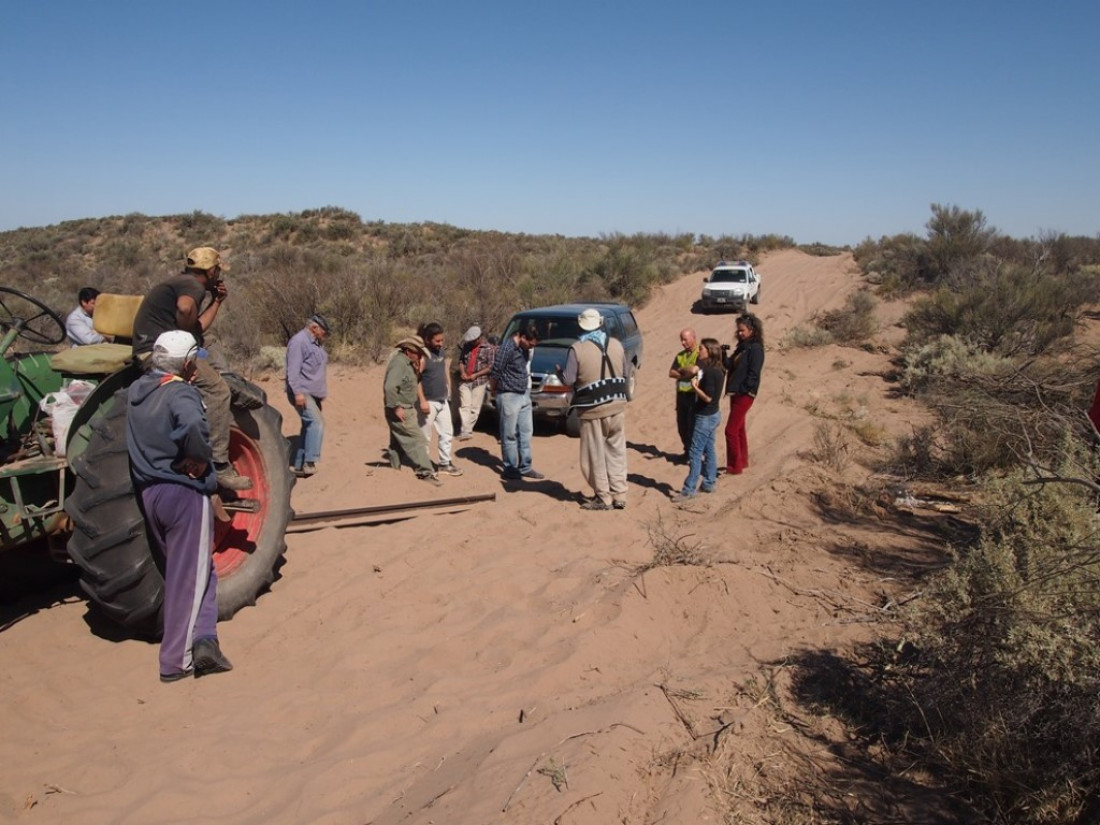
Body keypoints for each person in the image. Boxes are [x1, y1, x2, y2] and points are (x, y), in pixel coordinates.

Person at [126, 330, 233, 683]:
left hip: (150, 493)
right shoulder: (181, 391)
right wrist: (199, 458)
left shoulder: (138, 391)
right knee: (187, 576)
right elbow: (191, 422)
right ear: (188, 364)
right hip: (183, 493)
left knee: (198, 569)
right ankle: (176, 662)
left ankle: (205, 641)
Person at [131, 247, 250, 491]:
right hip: (160, 354)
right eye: (218, 271)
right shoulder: (192, 286)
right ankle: (219, 463)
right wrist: (183, 332)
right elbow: (186, 310)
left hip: (148, 349)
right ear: (212, 270)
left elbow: (198, 328)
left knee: (207, 350)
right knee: (218, 390)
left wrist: (217, 301)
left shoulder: (176, 282)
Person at [561, 308, 629, 510]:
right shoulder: (616, 344)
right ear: (600, 324)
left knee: (594, 454)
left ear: (581, 325)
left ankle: (603, 497)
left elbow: (569, 379)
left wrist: (559, 373)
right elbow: (625, 372)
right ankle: (620, 495)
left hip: (592, 409)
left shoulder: (577, 349)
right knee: (617, 451)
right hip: (617, 406)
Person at [383, 335, 443, 486]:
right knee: (417, 440)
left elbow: (411, 383)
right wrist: (396, 406)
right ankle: (425, 471)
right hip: (400, 408)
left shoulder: (408, 363)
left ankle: (393, 468)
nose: (420, 356)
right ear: (409, 350)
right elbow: (390, 387)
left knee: (397, 441)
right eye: (418, 353)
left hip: (404, 407)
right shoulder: (399, 363)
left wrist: (418, 369)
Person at [671, 338, 725, 502]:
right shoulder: (713, 367)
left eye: (701, 349)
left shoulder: (711, 373)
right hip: (713, 415)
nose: (698, 351)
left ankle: (689, 489)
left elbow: (708, 398)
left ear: (709, 351)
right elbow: (693, 368)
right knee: (709, 449)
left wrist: (694, 387)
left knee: (695, 452)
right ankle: (709, 482)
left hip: (706, 416)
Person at [489, 323, 544, 480]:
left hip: (524, 394)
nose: (531, 347)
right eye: (530, 344)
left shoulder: (525, 349)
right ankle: (510, 468)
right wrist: (494, 390)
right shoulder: (506, 348)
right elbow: (495, 371)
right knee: (509, 434)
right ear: (523, 337)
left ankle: (526, 467)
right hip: (508, 395)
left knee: (526, 433)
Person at [285, 314, 330, 478]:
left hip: (313, 394)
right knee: (317, 423)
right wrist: (298, 393)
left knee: (307, 427)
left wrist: (321, 393)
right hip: (302, 392)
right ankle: (310, 461)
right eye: (323, 332)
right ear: (314, 328)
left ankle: (299, 465)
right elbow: (293, 371)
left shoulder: (316, 344)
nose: (324, 335)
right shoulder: (299, 341)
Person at [416, 322, 462, 477]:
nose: (440, 343)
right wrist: (422, 400)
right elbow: (416, 379)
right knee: (425, 436)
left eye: (442, 340)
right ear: (428, 340)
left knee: (447, 433)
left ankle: (444, 463)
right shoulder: (422, 355)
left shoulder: (441, 352)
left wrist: (448, 388)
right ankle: (423, 467)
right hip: (428, 401)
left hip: (442, 400)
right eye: (437, 341)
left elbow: (442, 371)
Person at [723, 314, 765, 475]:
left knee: (730, 430)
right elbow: (729, 365)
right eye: (738, 330)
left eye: (742, 330)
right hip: (736, 392)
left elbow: (754, 373)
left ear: (751, 330)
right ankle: (742, 461)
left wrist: (746, 388)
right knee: (739, 428)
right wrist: (722, 355)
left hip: (745, 394)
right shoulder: (743, 347)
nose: (740, 333)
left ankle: (734, 467)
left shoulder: (755, 349)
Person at [455, 325, 494, 441]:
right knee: (464, 405)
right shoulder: (466, 347)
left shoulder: (488, 349)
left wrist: (476, 375)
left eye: (473, 340)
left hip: (479, 381)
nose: (471, 343)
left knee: (474, 408)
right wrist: (462, 372)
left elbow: (490, 366)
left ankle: (467, 430)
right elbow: (461, 361)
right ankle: (465, 430)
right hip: (465, 380)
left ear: (479, 338)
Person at [668, 328, 700, 462]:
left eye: (685, 339)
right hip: (681, 395)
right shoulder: (680, 355)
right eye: (681, 340)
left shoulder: (700, 353)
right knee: (682, 425)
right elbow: (671, 372)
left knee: (693, 426)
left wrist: (681, 372)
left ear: (693, 337)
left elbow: (695, 371)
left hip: (694, 395)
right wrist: (684, 372)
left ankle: (694, 454)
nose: (683, 342)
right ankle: (687, 451)